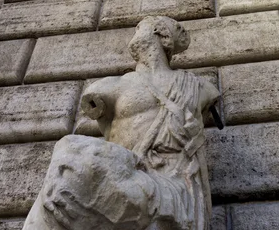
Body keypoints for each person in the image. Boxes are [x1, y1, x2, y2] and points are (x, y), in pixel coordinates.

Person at [23, 16, 219, 230]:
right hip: (126, 176)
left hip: (174, 181)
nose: (135, 30)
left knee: (71, 154)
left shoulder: (198, 87)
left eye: (141, 26)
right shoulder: (108, 87)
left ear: (161, 34)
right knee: (65, 160)